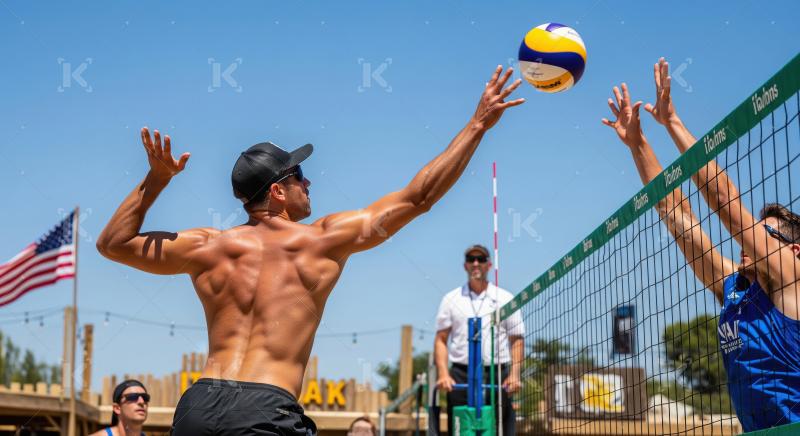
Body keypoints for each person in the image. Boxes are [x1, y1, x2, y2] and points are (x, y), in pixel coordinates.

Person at [96, 66, 524, 436]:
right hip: (265, 409)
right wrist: (477, 124)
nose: (309, 183)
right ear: (278, 191)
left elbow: (112, 244)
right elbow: (418, 198)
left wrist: (155, 180)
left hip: (199, 407)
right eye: (299, 175)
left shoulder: (209, 246)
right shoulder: (319, 240)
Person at [602, 57, 800, 431]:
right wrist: (638, 142)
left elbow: (724, 201)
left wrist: (673, 123)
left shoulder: (792, 279)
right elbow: (679, 218)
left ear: (794, 250)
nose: (752, 238)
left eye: (766, 233)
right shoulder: (735, 287)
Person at [434, 244, 524, 435]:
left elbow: (516, 340)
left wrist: (515, 374)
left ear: (489, 265)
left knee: (500, 429)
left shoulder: (505, 298)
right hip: (461, 373)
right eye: (471, 259)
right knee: (460, 430)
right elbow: (441, 339)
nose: (476, 263)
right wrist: (443, 374)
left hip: (497, 373)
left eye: (481, 259)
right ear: (465, 265)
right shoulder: (451, 299)